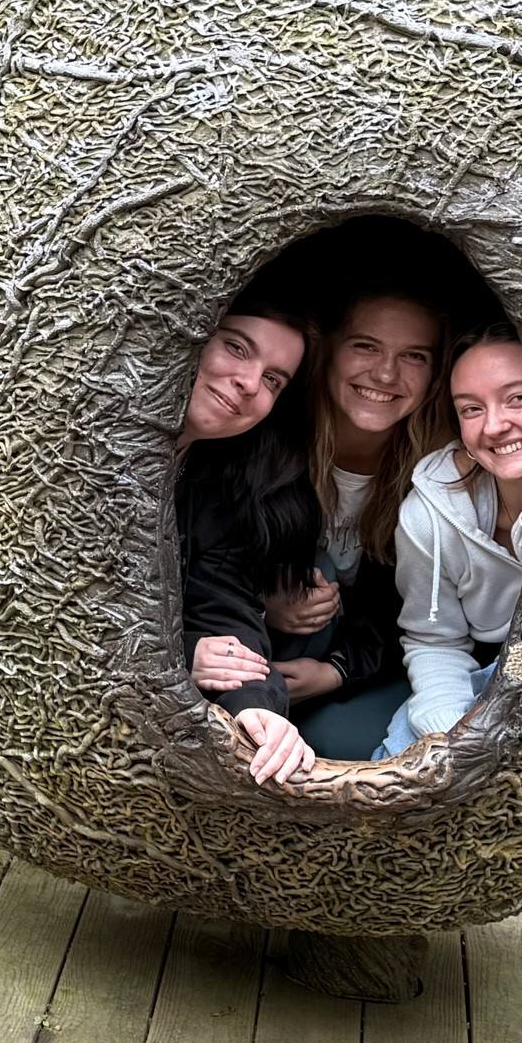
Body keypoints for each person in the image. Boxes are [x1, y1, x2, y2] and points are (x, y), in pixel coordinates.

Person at [194, 288, 449, 776]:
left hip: (365, 666)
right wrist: (267, 603)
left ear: (435, 374)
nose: (386, 374)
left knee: (340, 744)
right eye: (365, 346)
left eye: (413, 356)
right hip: (256, 657)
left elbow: (430, 619)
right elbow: (211, 575)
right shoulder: (259, 440)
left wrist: (337, 671)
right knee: (317, 567)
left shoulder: (439, 475)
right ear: (326, 350)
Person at [373, 329, 522, 758]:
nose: (495, 425)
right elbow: (435, 640)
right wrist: (448, 736)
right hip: (478, 676)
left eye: (518, 398)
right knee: (400, 762)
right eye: (472, 408)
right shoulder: (430, 513)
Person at [173, 293, 321, 786]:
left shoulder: (213, 475)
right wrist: (179, 652)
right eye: (236, 348)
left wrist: (257, 707)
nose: (249, 383)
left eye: (274, 379)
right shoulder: (77, 454)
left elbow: (222, 600)